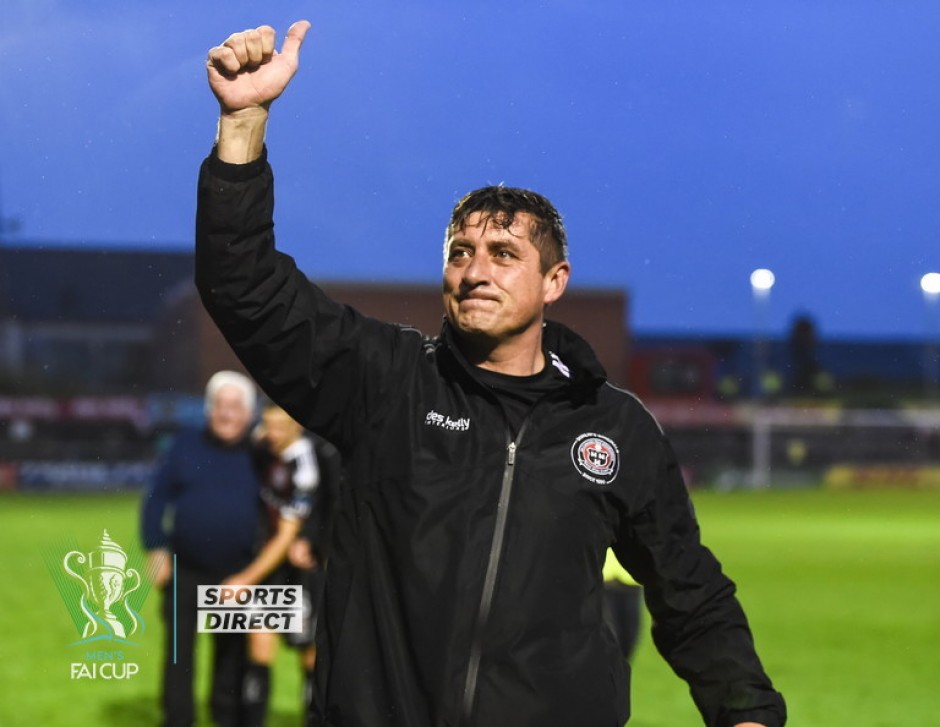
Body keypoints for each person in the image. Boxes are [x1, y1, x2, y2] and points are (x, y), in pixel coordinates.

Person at [195, 21, 787, 727]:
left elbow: (689, 588)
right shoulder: (384, 381)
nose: (474, 270)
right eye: (459, 252)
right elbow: (244, 287)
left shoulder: (614, 427)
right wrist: (243, 123)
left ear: (554, 281)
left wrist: (746, 712)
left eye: (503, 253)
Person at [141, 370, 261, 727]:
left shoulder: (262, 453)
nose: (226, 414)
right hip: (184, 569)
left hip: (238, 574)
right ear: (209, 410)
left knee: (232, 658)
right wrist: (155, 547)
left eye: (235, 407)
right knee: (178, 656)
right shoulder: (186, 444)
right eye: (220, 406)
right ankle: (178, 721)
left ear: (249, 413)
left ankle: (225, 719)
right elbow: (156, 499)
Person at [231, 404, 338, 727]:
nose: (271, 433)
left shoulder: (306, 464)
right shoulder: (266, 452)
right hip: (272, 569)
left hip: (300, 572)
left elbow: (289, 535)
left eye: (280, 426)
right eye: (267, 425)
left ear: (297, 427)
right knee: (258, 645)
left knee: (309, 653)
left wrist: (245, 579)